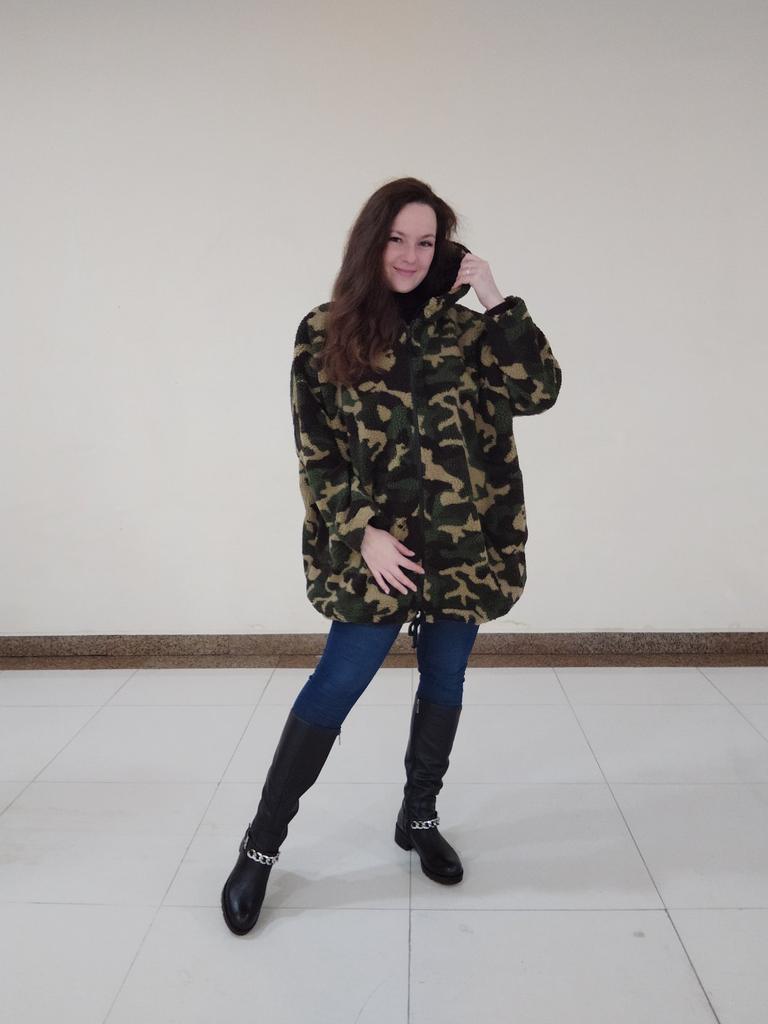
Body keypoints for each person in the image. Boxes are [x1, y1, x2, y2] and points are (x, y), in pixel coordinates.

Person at [221, 177, 563, 935]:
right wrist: (364, 532)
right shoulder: (325, 331)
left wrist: (496, 299)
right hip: (373, 549)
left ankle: (419, 817)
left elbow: (540, 390)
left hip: (461, 546)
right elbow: (316, 455)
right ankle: (260, 847)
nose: (410, 255)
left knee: (445, 678)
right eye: (397, 239)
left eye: (426, 242)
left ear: (445, 251)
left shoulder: (471, 333)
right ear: (371, 243)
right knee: (336, 683)